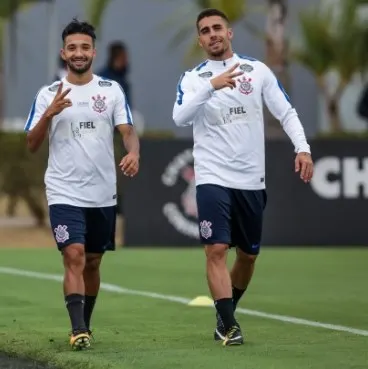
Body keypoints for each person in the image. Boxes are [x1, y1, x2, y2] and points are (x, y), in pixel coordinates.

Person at [172, 8, 313, 347]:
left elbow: (286, 111)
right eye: (205, 30)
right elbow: (179, 117)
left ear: (230, 32)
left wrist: (303, 148)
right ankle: (230, 326)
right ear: (200, 39)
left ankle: (224, 314)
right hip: (212, 178)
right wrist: (211, 87)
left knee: (248, 257)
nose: (212, 34)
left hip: (250, 180)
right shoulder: (194, 78)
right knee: (216, 249)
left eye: (217, 27)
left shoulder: (258, 70)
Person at [24, 18, 140, 350]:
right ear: (63, 53)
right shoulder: (49, 93)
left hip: (102, 192)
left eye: (84, 47)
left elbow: (128, 132)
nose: (78, 53)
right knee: (73, 254)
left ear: (93, 51)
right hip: (63, 191)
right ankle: (78, 330)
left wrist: (134, 153)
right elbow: (32, 144)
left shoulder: (111, 90)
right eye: (72, 47)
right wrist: (50, 114)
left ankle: (84, 322)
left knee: (92, 260)